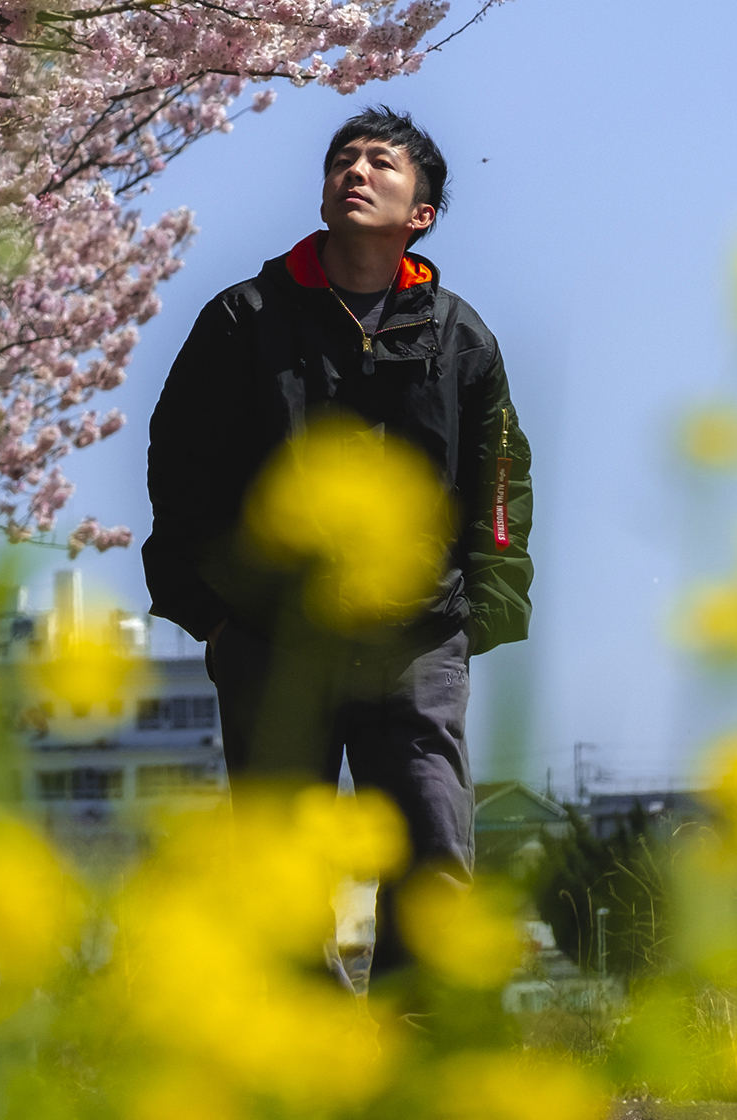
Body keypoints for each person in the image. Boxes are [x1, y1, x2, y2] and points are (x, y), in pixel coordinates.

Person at [143, 108, 532, 978]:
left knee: (434, 850)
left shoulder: (460, 336)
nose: (355, 172)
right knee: (280, 871)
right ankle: (304, 1046)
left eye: (381, 162)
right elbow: (181, 462)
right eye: (341, 161)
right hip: (273, 636)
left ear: (421, 212)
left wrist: (487, 605)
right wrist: (210, 611)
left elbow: (500, 477)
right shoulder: (244, 318)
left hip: (418, 638)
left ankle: (419, 1035)